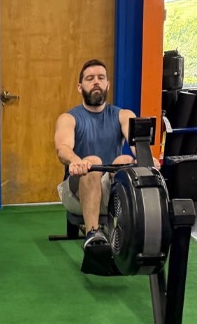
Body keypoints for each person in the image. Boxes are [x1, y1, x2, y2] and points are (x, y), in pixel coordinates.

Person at [53, 59, 136, 250]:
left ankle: (127, 233)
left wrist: (146, 157)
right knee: (93, 162)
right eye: (90, 79)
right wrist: (76, 161)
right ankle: (93, 236)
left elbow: (137, 145)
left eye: (101, 78)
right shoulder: (69, 118)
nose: (96, 82)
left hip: (109, 189)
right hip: (75, 192)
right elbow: (62, 148)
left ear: (108, 84)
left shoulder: (124, 115)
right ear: (80, 87)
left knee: (125, 160)